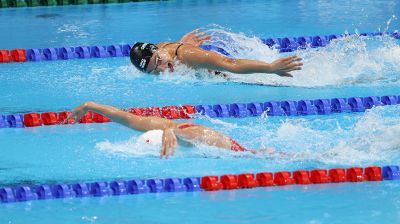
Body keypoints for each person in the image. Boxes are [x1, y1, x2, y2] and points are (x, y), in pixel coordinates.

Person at [64, 101, 271, 159]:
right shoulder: (163, 127)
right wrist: (90, 106)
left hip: (240, 153)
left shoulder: (187, 132)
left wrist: (171, 133)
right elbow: (127, 119)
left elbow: (191, 133)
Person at [130, 29, 303, 77]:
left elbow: (230, 64)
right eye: (154, 69)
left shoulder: (187, 55)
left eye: (159, 60)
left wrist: (270, 68)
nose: (162, 68)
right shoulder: (160, 50)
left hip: (225, 73)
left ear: (159, 50)